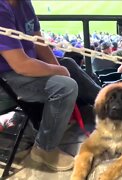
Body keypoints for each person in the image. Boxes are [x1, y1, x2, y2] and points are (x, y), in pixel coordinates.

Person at [0, 0, 77, 171]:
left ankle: (101, 105)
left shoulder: (24, 3)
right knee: (65, 87)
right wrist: (60, 71)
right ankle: (44, 148)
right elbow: (21, 65)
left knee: (69, 64)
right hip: (5, 79)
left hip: (22, 68)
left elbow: (38, 42)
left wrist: (59, 68)